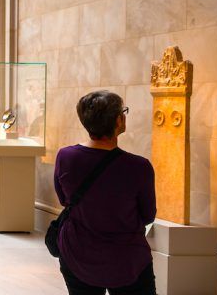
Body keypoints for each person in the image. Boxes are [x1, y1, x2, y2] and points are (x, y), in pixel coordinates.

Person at [54, 90, 156, 294]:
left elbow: (64, 199)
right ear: (118, 121)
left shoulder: (66, 157)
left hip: (77, 253)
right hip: (126, 258)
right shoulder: (139, 166)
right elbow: (147, 215)